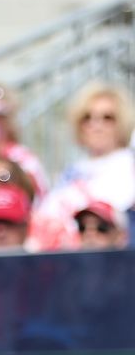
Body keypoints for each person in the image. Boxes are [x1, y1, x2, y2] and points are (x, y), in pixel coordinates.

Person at [36, 81, 135, 250]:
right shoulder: (71, 172)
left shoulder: (129, 167)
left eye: (107, 118)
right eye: (87, 118)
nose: (96, 125)